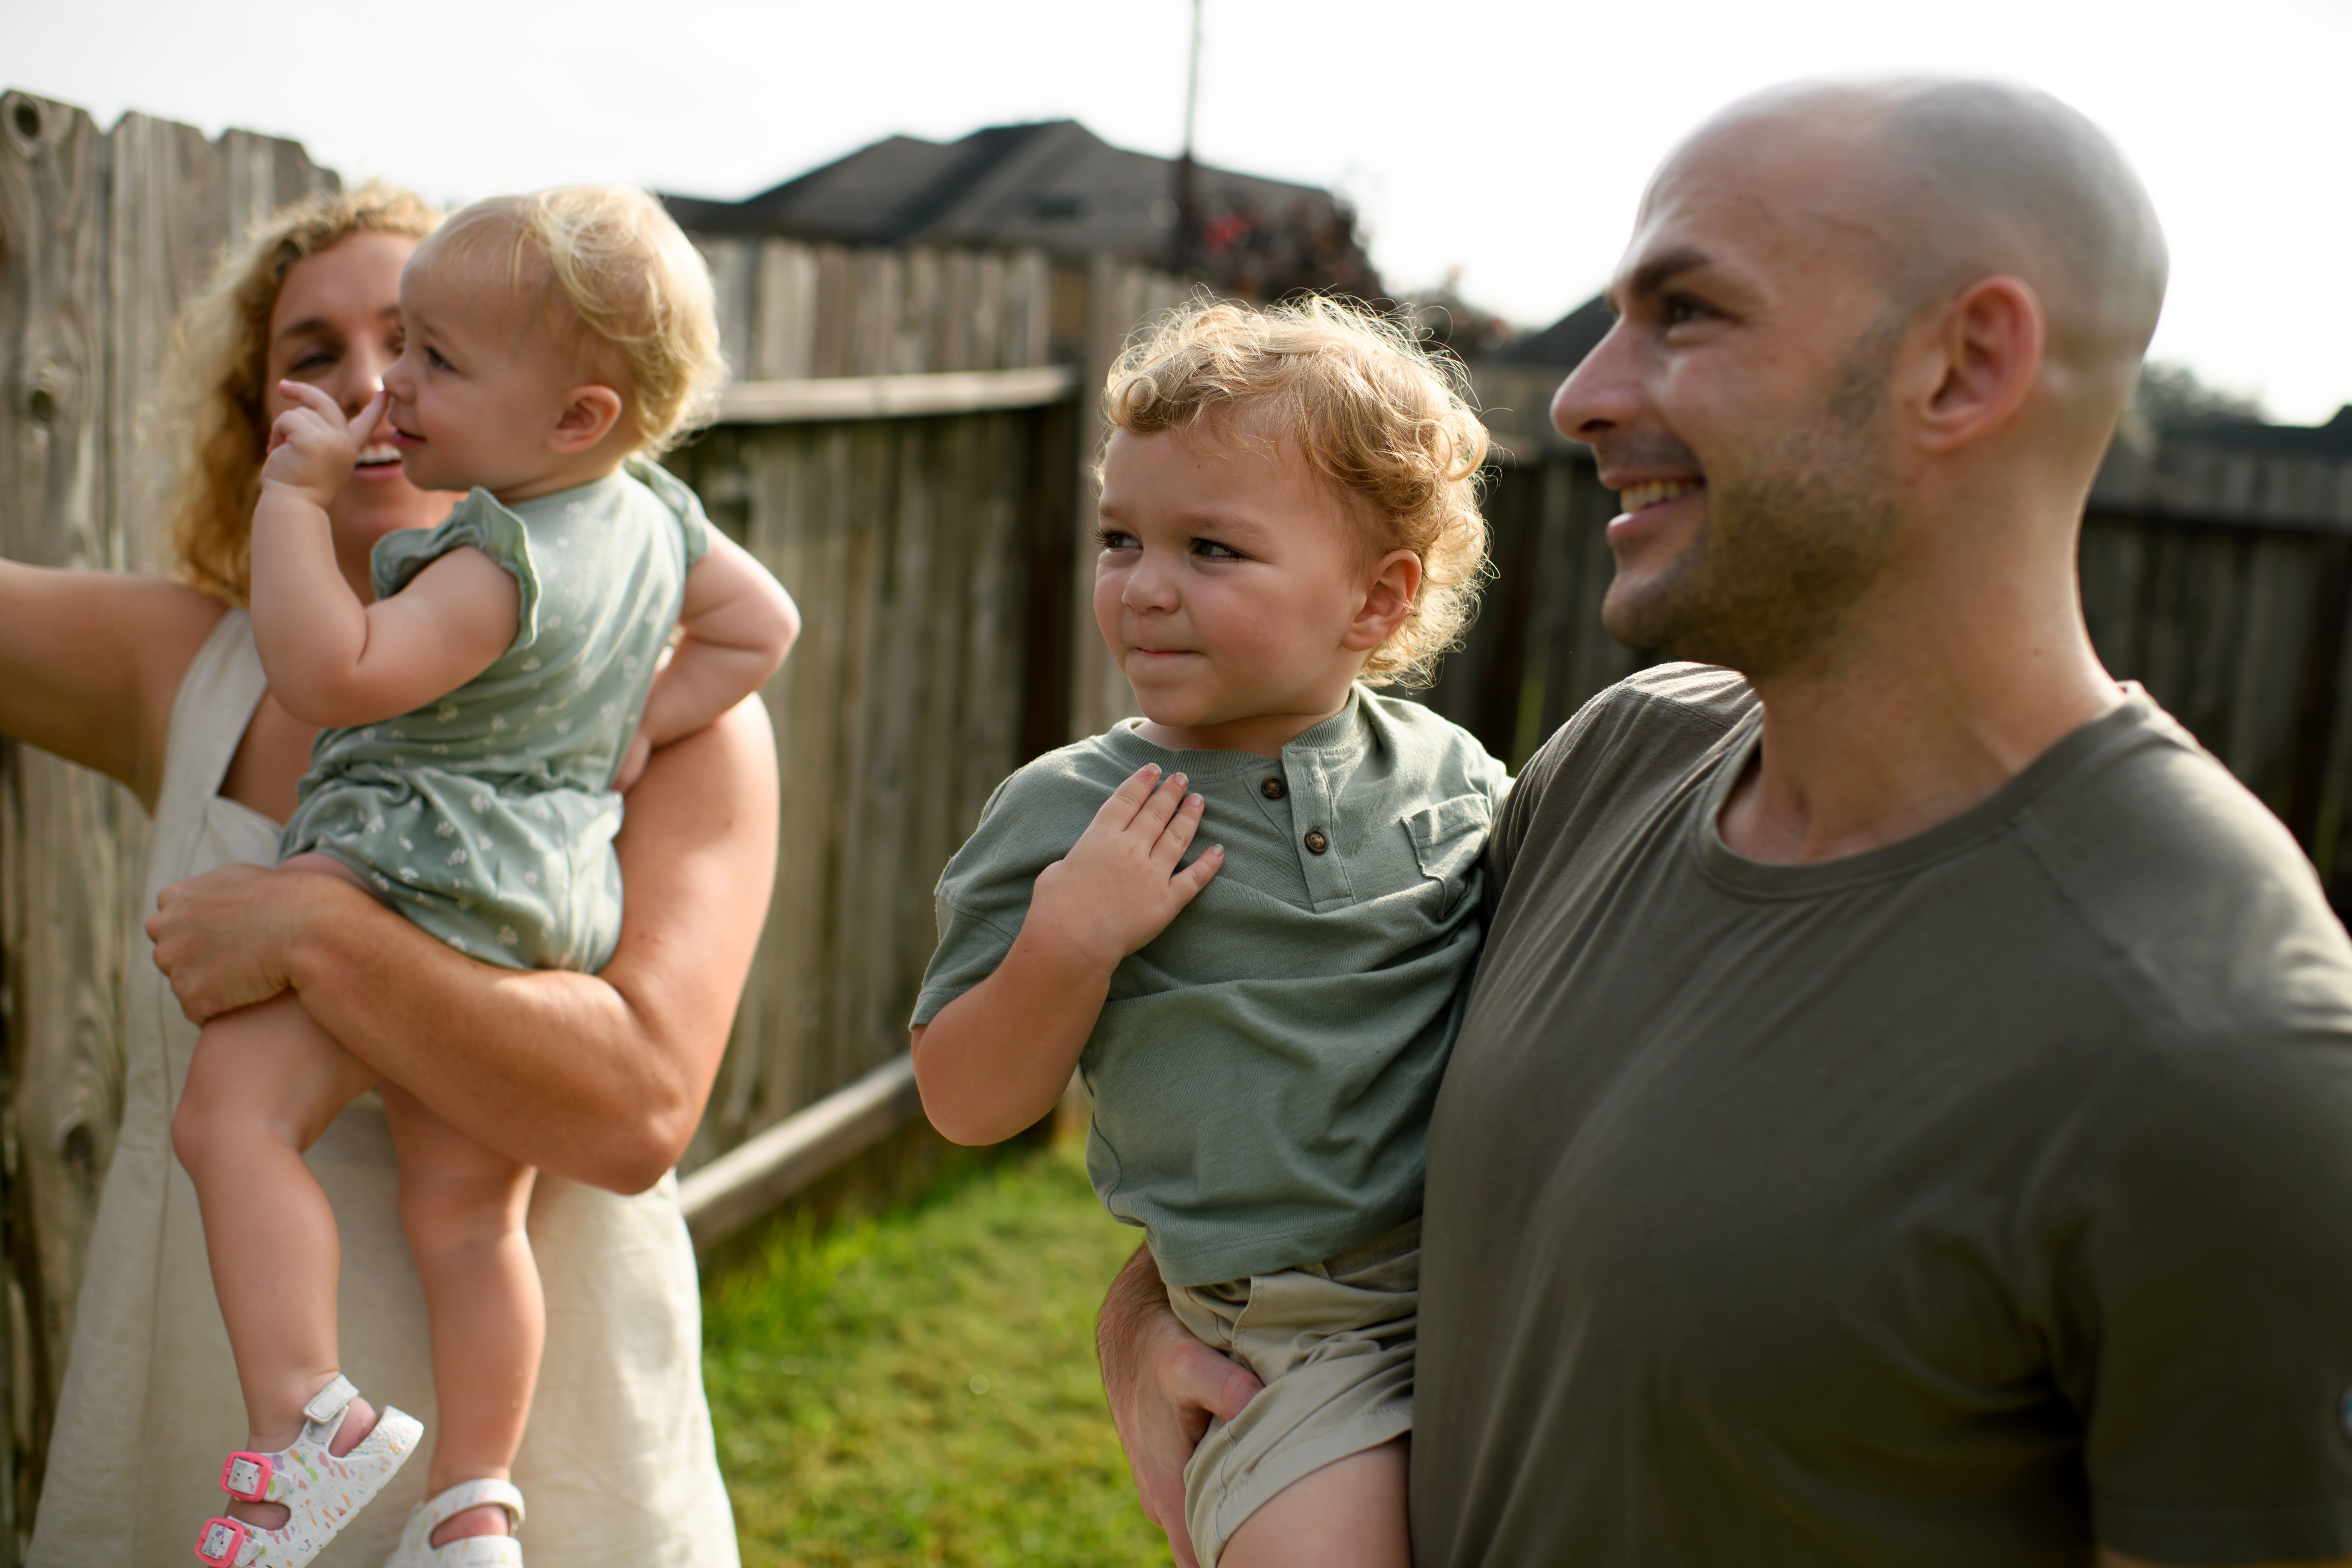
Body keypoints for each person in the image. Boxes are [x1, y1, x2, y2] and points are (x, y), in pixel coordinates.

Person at [1100, 77, 2352, 1567]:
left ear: (1964, 366)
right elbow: (1351, 1165)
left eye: (1686, 315)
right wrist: (1145, 1326)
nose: (1581, 396)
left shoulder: (2220, 1049)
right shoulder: (1612, 768)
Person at [1, 184, 770, 1567]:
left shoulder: (674, 712)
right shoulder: (183, 664)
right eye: (317, 352)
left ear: (563, 405)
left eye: (417, 342)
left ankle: (400, 1460)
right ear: (258, 412)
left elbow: (639, 1106)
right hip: (202, 1452)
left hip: (576, 1477)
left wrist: (310, 926)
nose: (375, 382)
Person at [911, 298, 1504, 1568]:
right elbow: (966, 1100)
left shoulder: (1458, 779)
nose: (1146, 587)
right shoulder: (1069, 812)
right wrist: (1067, 940)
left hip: (1493, 1282)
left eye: (1213, 549)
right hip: (1291, 1329)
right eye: (1121, 538)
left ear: (1376, 602)